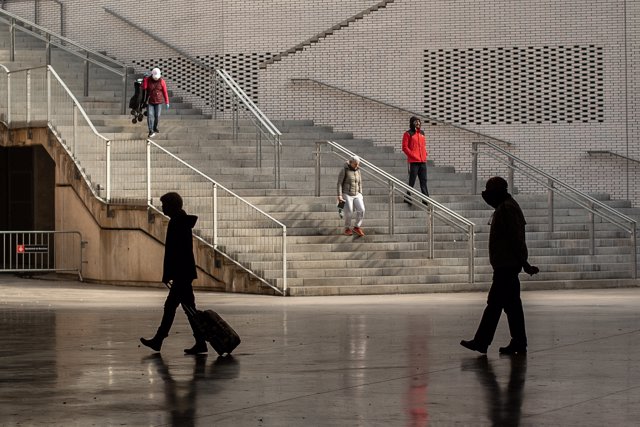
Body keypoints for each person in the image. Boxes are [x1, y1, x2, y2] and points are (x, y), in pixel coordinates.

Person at [460, 177, 539, 355]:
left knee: (495, 305)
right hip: (507, 265)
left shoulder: (507, 209)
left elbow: (514, 239)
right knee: (512, 307)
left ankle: (482, 342)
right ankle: (518, 341)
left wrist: (525, 264)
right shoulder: (507, 206)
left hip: (506, 266)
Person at [140, 192, 207, 355]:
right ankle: (195, 341)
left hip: (180, 273)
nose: (162, 207)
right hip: (183, 272)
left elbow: (174, 252)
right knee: (183, 307)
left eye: (164, 205)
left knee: (182, 308)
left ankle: (163, 339)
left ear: (172, 205)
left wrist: (168, 273)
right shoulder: (181, 221)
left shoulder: (177, 223)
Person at [402, 116, 429, 203]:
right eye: (416, 122)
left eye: (419, 121)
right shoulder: (408, 133)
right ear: (412, 123)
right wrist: (413, 155)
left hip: (422, 161)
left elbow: (423, 146)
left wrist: (425, 154)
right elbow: (405, 147)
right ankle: (407, 197)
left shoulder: (422, 133)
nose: (418, 123)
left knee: (424, 180)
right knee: (412, 181)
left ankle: (425, 199)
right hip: (413, 161)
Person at [337, 155, 365, 237]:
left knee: (362, 209)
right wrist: (339, 195)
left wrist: (361, 192)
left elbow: (360, 182)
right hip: (346, 193)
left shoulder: (358, 170)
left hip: (357, 194)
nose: (357, 165)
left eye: (358, 164)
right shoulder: (344, 170)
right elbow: (339, 183)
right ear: (351, 162)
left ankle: (357, 227)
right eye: (355, 164)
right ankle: (347, 228)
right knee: (349, 211)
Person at [142, 67, 170, 138]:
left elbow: (165, 92)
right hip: (150, 101)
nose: (156, 79)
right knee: (150, 116)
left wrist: (167, 101)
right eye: (155, 77)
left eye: (157, 77)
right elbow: (144, 88)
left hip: (159, 101)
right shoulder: (148, 80)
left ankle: (155, 127)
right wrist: (145, 80)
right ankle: (151, 131)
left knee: (157, 116)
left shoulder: (162, 81)